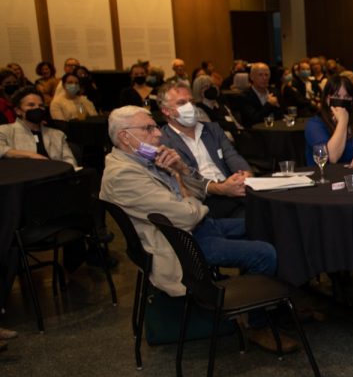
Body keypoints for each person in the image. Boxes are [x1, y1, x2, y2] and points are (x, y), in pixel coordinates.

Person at [98, 105, 290, 351]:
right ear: (125, 136)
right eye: (148, 128)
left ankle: (270, 299)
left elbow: (198, 192)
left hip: (197, 226)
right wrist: (183, 187)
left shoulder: (144, 159)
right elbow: (187, 216)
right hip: (181, 243)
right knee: (265, 253)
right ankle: (259, 325)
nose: (157, 134)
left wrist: (181, 169)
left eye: (155, 126)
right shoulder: (123, 175)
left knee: (266, 225)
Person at [158, 82, 253, 218]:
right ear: (166, 111)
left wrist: (245, 175)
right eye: (181, 103)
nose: (189, 107)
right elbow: (185, 178)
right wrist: (222, 188)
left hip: (233, 188)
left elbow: (232, 156)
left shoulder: (212, 129)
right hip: (202, 199)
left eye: (191, 101)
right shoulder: (162, 140)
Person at [304, 75, 353, 167]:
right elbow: (332, 157)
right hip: (326, 176)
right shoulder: (315, 124)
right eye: (336, 96)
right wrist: (342, 121)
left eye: (346, 97)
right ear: (327, 99)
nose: (342, 100)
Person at [0, 87, 78, 166]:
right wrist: (30, 155)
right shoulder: (5, 130)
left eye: (41, 105)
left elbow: (70, 162)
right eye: (31, 105)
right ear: (18, 111)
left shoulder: (57, 134)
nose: (37, 108)